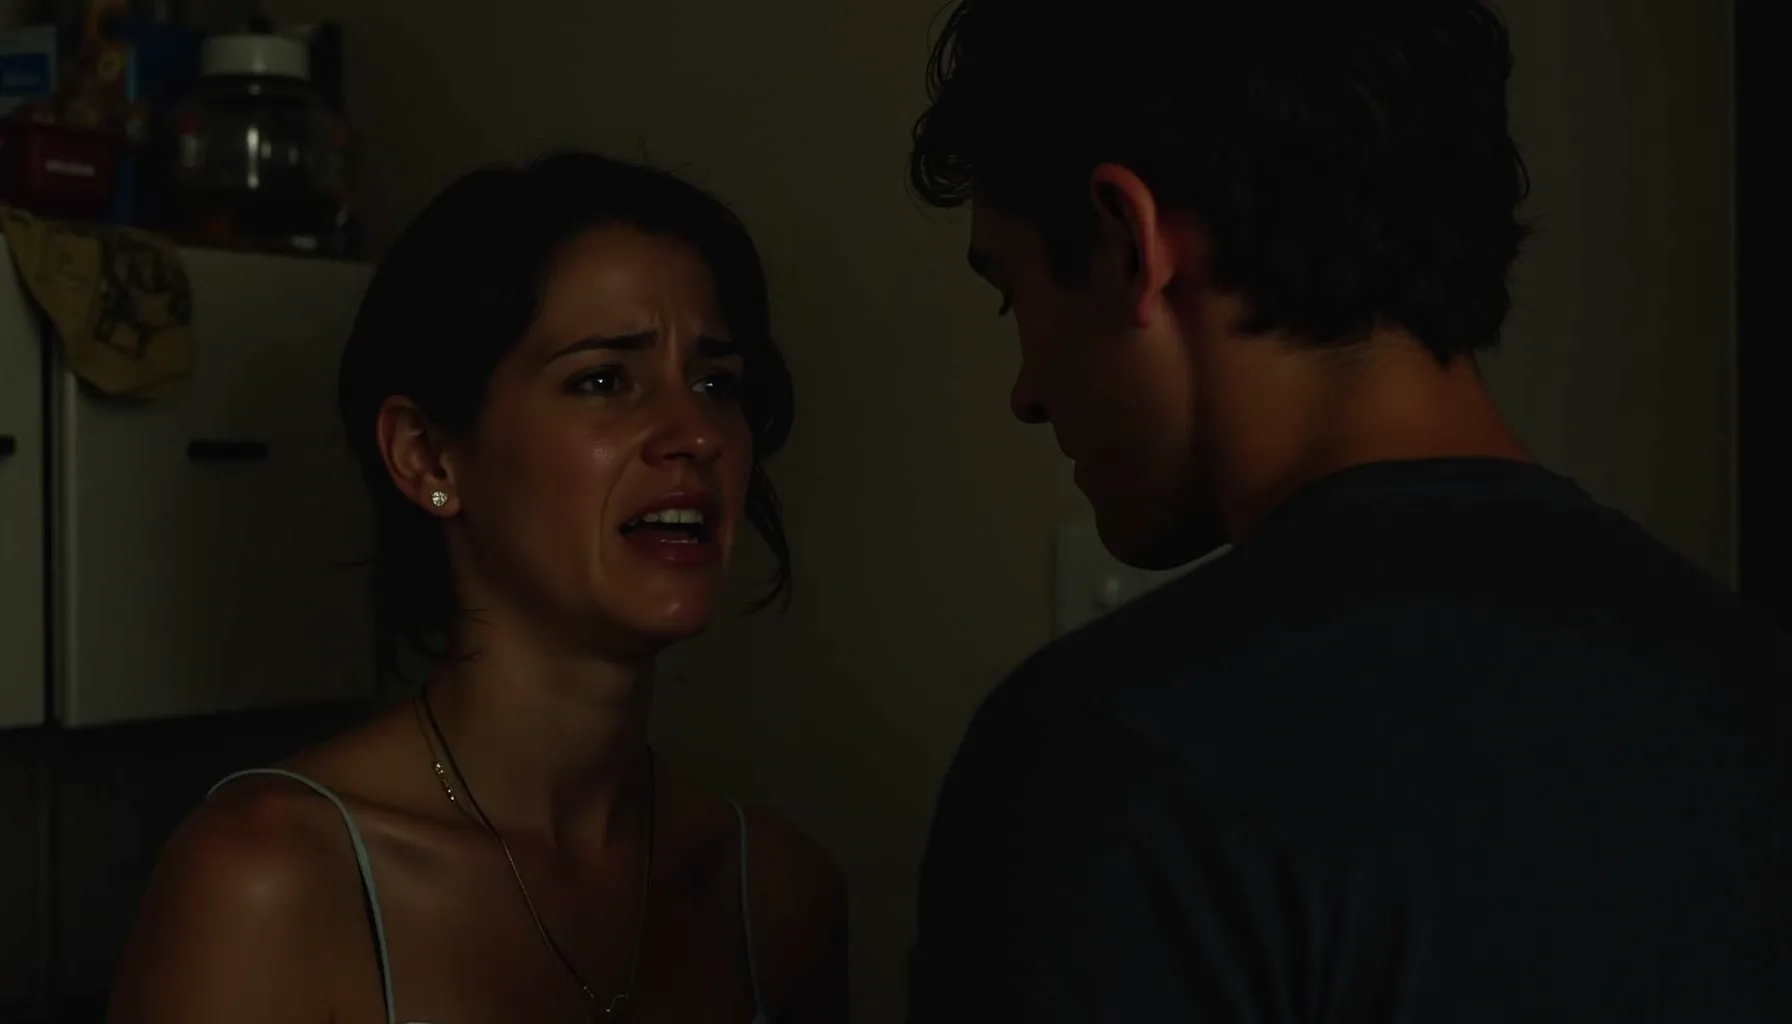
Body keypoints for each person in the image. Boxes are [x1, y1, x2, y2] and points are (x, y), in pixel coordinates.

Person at [904, 1, 1792, 1020]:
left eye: (1012, 295)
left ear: (1127, 246)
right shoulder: (1754, 690)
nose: (1025, 393)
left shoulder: (1105, 771)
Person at [108, 153, 847, 1024]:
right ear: (427, 457)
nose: (696, 433)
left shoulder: (774, 895)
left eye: (717, 383)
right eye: (603, 380)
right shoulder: (270, 878)